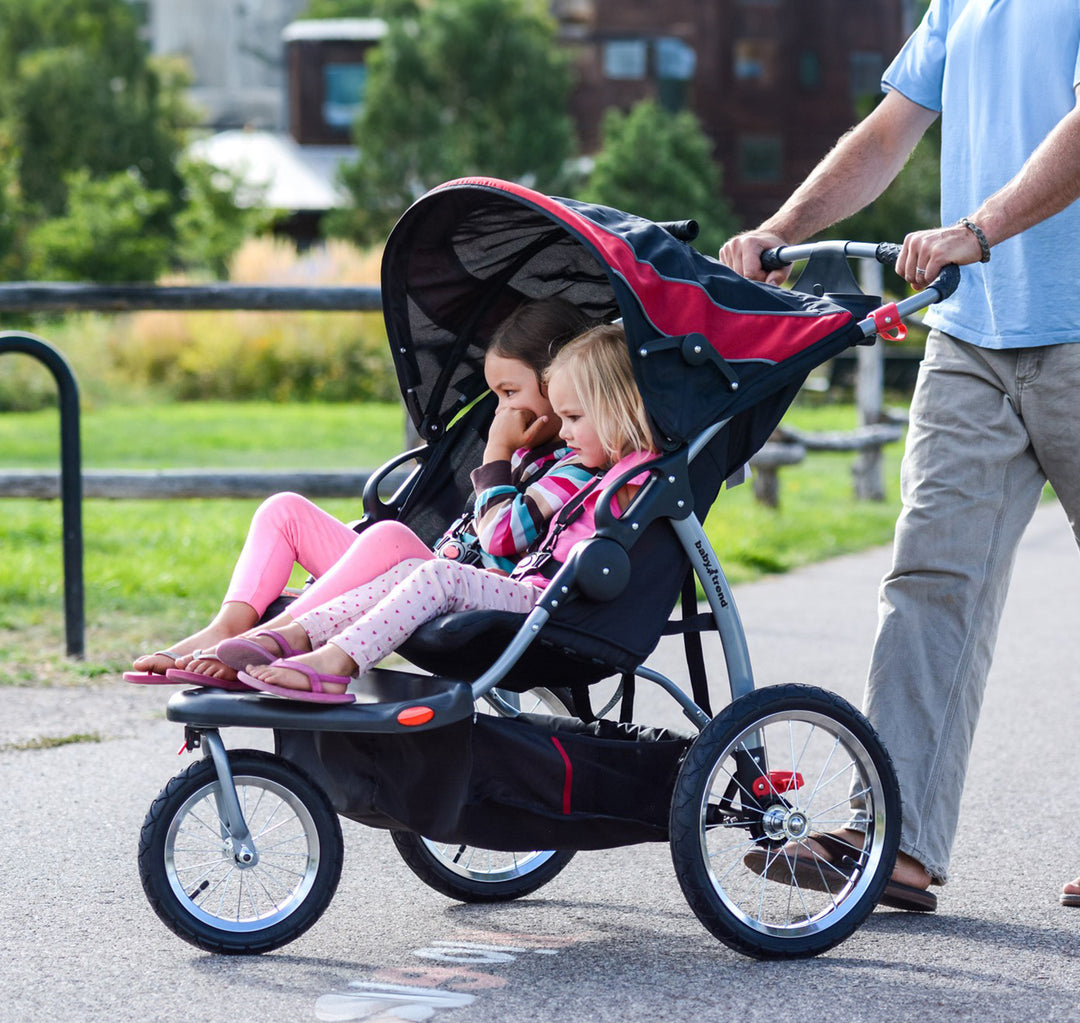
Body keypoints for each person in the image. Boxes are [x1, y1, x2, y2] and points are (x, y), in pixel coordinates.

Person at [720, 0, 1080, 910]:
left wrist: (980, 228)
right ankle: (897, 839)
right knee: (928, 581)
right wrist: (786, 228)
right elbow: (887, 131)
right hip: (972, 336)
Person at [123, 296, 594, 688]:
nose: (499, 411)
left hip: (450, 582)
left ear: (562, 386)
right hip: (403, 575)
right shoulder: (524, 454)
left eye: (510, 393)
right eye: (494, 397)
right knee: (283, 510)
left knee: (388, 536)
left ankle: (268, 641)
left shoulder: (569, 470)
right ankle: (227, 628)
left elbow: (498, 544)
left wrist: (496, 454)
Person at [234, 323, 657, 704]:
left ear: (617, 409)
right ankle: (304, 635)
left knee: (439, 575)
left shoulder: (637, 470)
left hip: (550, 606)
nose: (564, 432)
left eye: (574, 418)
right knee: (410, 572)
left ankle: (335, 662)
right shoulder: (596, 468)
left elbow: (687, 408)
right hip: (525, 588)